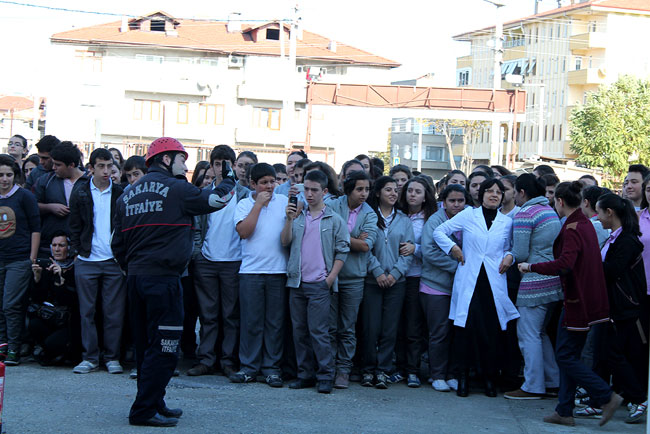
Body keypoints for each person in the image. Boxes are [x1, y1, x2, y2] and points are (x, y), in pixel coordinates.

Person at [111, 137, 236, 427]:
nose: (186, 165)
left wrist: (134, 271)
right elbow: (217, 199)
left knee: (145, 345)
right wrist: (228, 179)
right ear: (166, 159)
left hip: (136, 279)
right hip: (164, 280)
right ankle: (143, 410)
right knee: (166, 347)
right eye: (182, 159)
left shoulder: (126, 195)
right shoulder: (178, 189)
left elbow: (116, 244)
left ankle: (154, 401)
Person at [518, 181, 620, 428]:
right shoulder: (582, 223)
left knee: (565, 355)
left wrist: (531, 266)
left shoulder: (574, 226)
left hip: (578, 302)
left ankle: (605, 395)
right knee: (568, 353)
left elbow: (564, 264)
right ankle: (564, 410)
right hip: (586, 299)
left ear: (560, 201)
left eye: (555, 200)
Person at [433, 178, 519, 398]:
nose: (493, 195)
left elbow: (511, 247)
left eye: (498, 192)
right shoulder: (468, 215)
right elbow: (439, 232)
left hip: (493, 282)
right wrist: (453, 248)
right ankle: (463, 378)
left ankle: (489, 378)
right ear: (481, 194)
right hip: (470, 279)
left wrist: (510, 256)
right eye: (489, 191)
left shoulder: (506, 221)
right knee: (465, 331)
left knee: (491, 332)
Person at [281, 170, 349, 393]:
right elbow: (285, 242)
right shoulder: (298, 216)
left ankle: (326, 375)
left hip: (320, 283)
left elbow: (342, 251)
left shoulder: (334, 219)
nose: (309, 194)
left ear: (325, 192)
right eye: (306, 189)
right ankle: (305, 374)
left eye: (314, 190)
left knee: (319, 331)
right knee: (299, 331)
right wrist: (290, 219)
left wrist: (330, 279)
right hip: (297, 282)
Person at [188, 145, 249, 378]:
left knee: (231, 315)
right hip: (207, 260)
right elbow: (196, 227)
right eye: (217, 163)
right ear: (211, 166)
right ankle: (206, 359)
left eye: (226, 163)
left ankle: (228, 360)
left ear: (233, 166)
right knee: (208, 314)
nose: (221, 167)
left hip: (234, 261)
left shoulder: (243, 194)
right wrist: (198, 253)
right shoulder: (205, 194)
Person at [503, 174, 563, 400]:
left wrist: (508, 256)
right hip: (553, 279)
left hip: (534, 280)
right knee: (540, 333)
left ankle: (532, 386)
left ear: (521, 192)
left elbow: (520, 253)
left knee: (528, 334)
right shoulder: (549, 210)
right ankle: (551, 381)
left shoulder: (525, 214)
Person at [230, 163, 288, 388]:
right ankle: (249, 367)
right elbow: (244, 232)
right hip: (251, 272)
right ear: (253, 184)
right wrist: (258, 205)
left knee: (274, 323)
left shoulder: (283, 202)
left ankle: (272, 368)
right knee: (251, 322)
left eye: (272, 181)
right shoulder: (244, 204)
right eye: (264, 182)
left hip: (278, 271)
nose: (269, 186)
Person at [68, 148, 125, 375]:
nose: (106, 171)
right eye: (100, 166)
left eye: (109, 166)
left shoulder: (119, 192)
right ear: (91, 168)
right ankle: (90, 358)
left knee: (114, 312)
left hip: (112, 260)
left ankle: (112, 357)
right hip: (87, 258)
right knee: (87, 312)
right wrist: (77, 251)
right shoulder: (80, 191)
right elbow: (73, 224)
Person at [593, 193, 648, 424]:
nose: (597, 217)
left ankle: (636, 397)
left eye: (599, 212)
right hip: (613, 305)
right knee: (611, 353)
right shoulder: (614, 237)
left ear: (610, 213)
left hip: (624, 306)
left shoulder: (626, 240)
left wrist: (589, 263)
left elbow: (612, 269)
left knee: (614, 353)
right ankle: (623, 396)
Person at [361, 176, 414, 389]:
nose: (393, 193)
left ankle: (383, 370)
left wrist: (395, 274)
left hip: (396, 283)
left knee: (389, 329)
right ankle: (368, 369)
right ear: (378, 193)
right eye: (388, 190)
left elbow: (407, 251)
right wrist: (376, 272)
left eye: (395, 190)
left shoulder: (404, 220)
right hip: (372, 281)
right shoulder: (368, 217)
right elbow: (365, 248)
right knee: (370, 328)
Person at [326, 170, 377, 389]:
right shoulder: (334, 205)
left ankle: (343, 370)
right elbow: (323, 232)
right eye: (359, 189)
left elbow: (366, 245)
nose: (364, 194)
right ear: (349, 189)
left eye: (367, 189)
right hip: (330, 274)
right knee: (329, 327)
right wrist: (353, 239)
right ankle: (327, 367)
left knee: (347, 327)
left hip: (354, 277)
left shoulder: (370, 214)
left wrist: (341, 236)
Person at [420, 184, 466, 392]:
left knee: (457, 332)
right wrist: (459, 267)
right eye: (452, 201)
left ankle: (452, 373)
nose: (456, 205)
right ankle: (437, 374)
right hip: (435, 285)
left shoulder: (469, 219)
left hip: (462, 286)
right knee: (439, 332)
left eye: (460, 201)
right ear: (443, 202)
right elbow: (429, 252)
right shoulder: (435, 220)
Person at [393, 177, 437, 387]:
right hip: (395, 274)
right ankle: (398, 367)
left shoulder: (430, 219)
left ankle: (412, 369)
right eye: (410, 190)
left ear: (425, 195)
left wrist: (415, 249)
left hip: (417, 276)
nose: (412, 195)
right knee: (396, 325)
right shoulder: (396, 215)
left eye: (418, 191)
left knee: (413, 326)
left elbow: (433, 249)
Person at [0, 154, 40, 365]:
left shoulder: (24, 196)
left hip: (19, 259)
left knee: (11, 305)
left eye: (8, 174)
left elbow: (35, 228)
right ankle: (2, 346)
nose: (4, 179)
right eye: (0, 175)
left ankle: (14, 348)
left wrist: (31, 258)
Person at [29, 230, 81, 366]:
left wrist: (61, 282)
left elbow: (72, 301)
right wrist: (37, 278)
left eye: (61, 245)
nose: (57, 249)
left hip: (68, 322)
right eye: (54, 245)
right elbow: (36, 298)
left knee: (52, 343)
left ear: (69, 248)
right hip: (50, 318)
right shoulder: (47, 267)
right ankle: (51, 353)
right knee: (33, 325)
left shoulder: (76, 269)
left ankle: (55, 353)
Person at [34, 142, 85, 256]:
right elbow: (32, 206)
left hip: (80, 247)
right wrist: (50, 207)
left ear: (71, 165)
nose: (53, 168)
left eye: (58, 165)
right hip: (50, 246)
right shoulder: (46, 180)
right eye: (53, 164)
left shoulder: (89, 183)